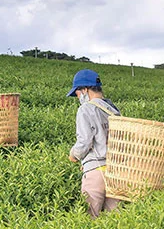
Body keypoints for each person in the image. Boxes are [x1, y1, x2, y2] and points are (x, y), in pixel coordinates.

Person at [66, 68, 121, 219]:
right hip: (116, 172)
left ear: (85, 90)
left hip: (96, 172)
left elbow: (84, 142)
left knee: (91, 218)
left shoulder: (86, 109)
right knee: (113, 219)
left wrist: (74, 155)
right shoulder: (113, 109)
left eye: (77, 93)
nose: (77, 97)